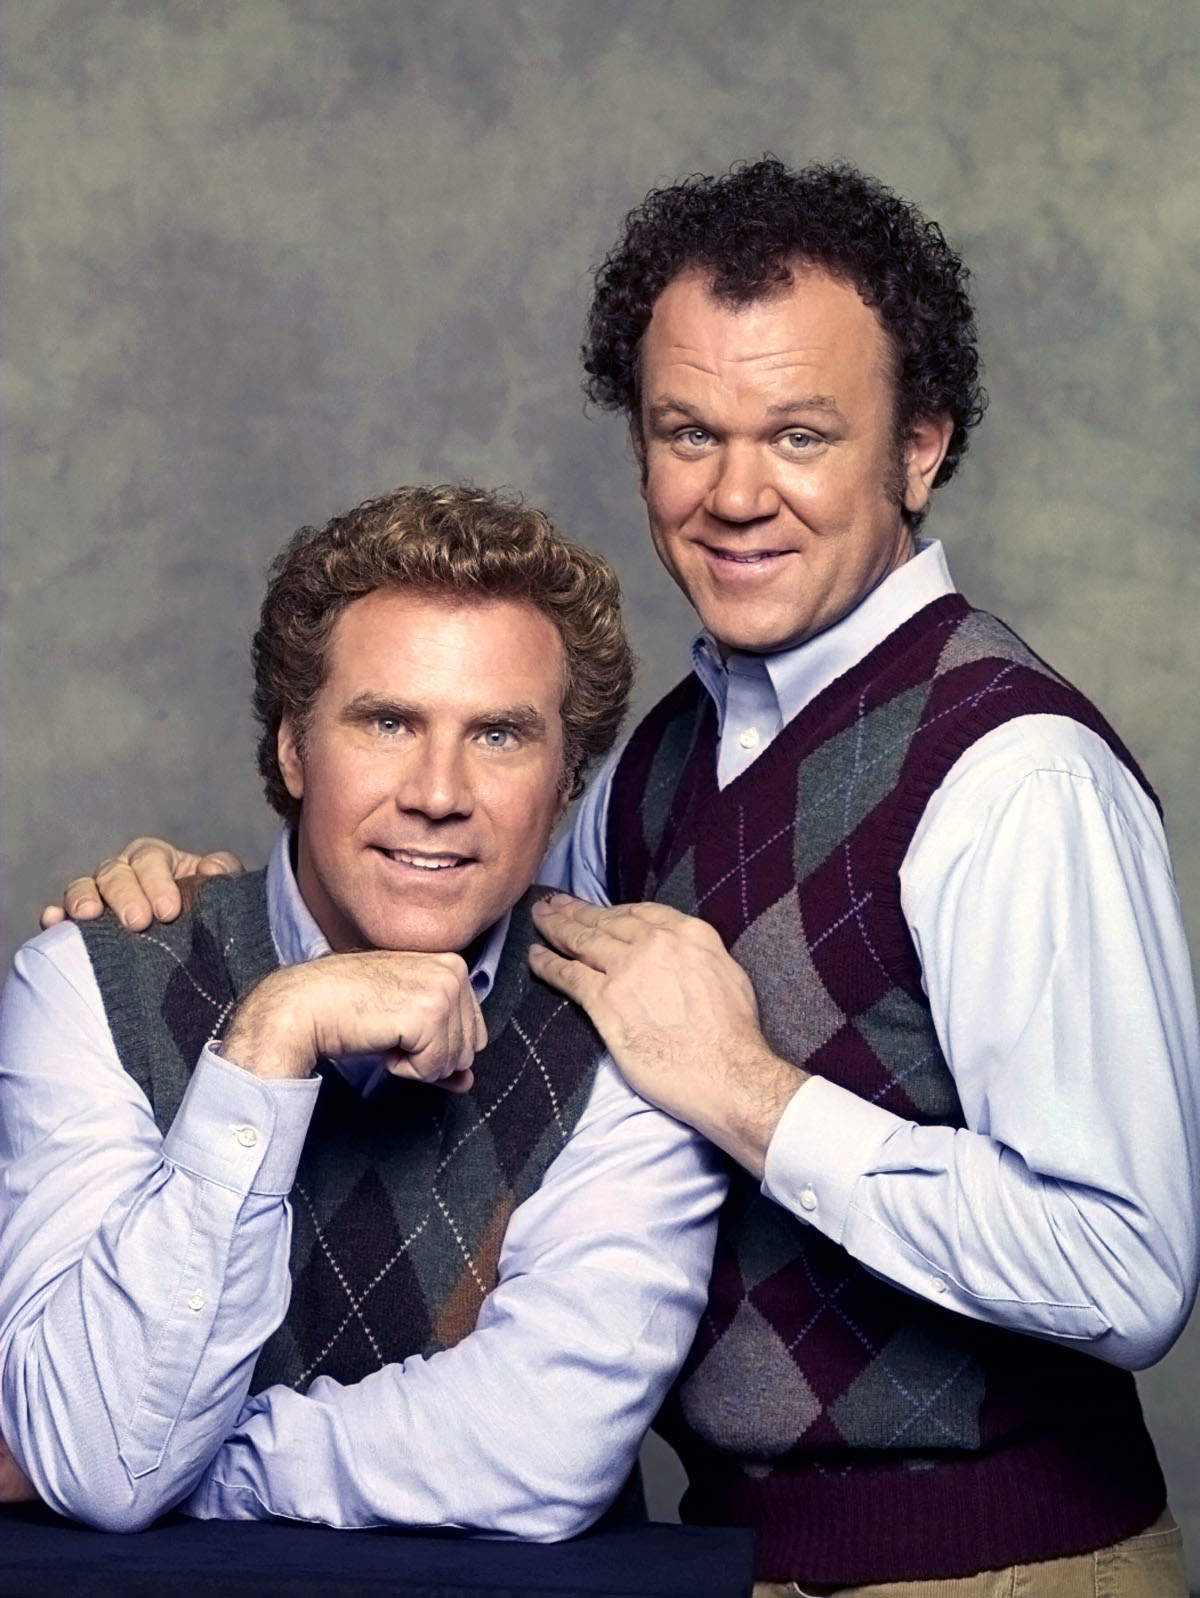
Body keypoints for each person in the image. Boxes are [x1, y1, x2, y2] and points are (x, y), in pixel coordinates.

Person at [43, 162, 1199, 1593]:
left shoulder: (1016, 773)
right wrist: (198, 916)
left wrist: (747, 1090)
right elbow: (441, 897)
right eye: (688, 431)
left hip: (1004, 1569)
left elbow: (1123, 1263)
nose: (735, 493)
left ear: (918, 448)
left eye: (799, 434)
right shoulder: (659, 760)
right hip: (712, 1557)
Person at [0, 484, 726, 1536]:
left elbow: (541, 1452)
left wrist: (194, 1468)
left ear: (566, 780)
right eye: (388, 722)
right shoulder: (86, 981)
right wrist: (272, 1035)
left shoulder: (628, 1023)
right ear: (294, 748)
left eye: (500, 735)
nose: (438, 791)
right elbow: (105, 1456)